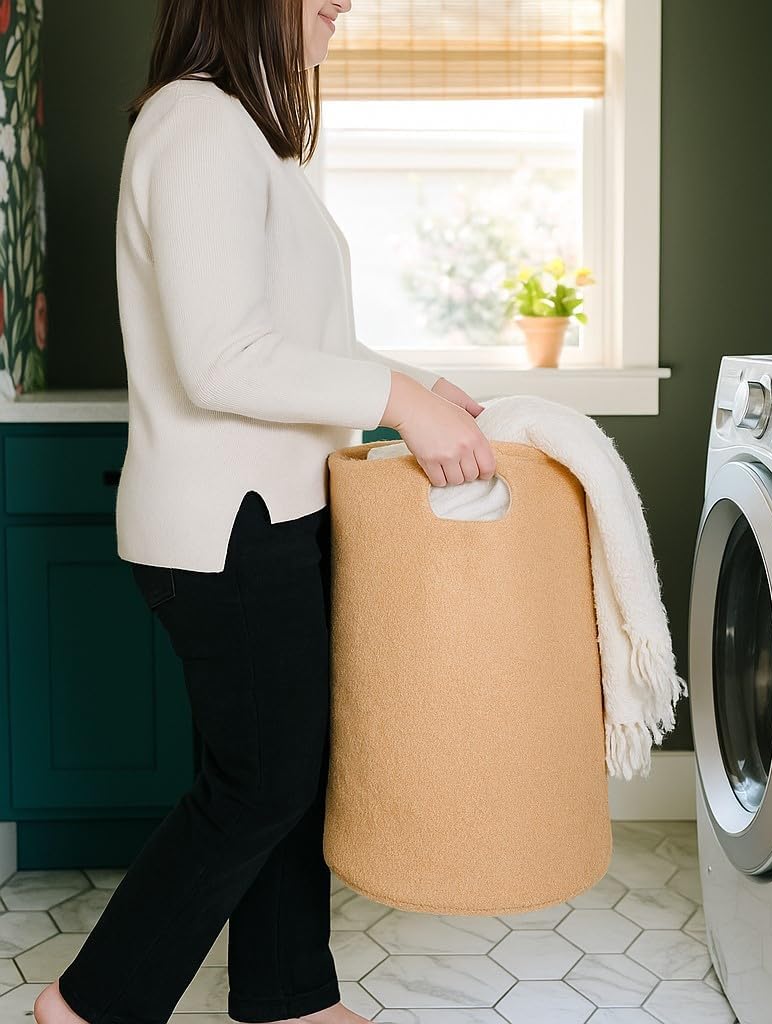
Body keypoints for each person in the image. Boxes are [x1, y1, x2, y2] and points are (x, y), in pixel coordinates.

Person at [33, 2, 495, 1023]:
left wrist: (415, 383)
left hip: (264, 509)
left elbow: (293, 338)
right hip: (226, 522)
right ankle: (85, 1006)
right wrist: (398, 404)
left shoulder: (236, 133)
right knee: (259, 782)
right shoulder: (196, 125)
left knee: (287, 771)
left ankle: (288, 998)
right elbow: (223, 359)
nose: (344, 5)